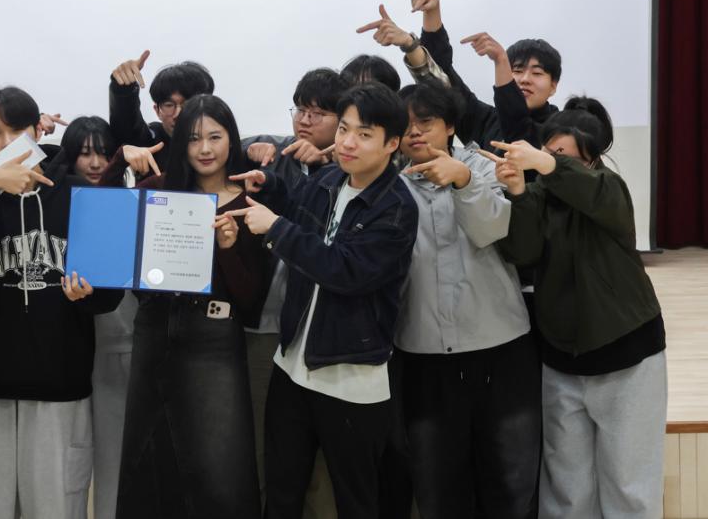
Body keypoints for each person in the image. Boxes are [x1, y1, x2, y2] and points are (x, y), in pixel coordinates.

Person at [0, 87, 123, 519]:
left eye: (17, 130)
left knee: (56, 507)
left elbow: (110, 294)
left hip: (61, 384)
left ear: (37, 130)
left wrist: (89, 295)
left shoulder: (78, 195)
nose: (8, 142)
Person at [230, 82, 418, 519]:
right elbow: (297, 211)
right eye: (345, 129)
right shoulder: (330, 178)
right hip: (291, 365)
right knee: (281, 494)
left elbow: (345, 271)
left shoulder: (396, 207)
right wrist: (270, 186)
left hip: (349, 377)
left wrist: (276, 228)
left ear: (392, 143)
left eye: (364, 134)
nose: (347, 142)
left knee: (355, 501)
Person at [486, 98, 667, 519]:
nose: (551, 160)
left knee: (629, 485)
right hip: (561, 357)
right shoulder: (538, 195)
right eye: (548, 150)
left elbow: (590, 193)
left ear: (591, 157)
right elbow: (522, 252)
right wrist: (518, 192)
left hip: (628, 353)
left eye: (564, 155)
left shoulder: (608, 187)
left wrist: (549, 165)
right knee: (567, 489)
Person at [110, 95, 268, 519]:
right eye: (194, 138)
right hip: (154, 333)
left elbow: (250, 298)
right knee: (149, 457)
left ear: (231, 139)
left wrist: (229, 249)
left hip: (216, 341)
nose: (205, 148)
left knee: (222, 469)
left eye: (215, 137)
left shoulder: (250, 203)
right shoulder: (157, 191)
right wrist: (118, 160)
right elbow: (105, 221)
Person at [395, 81, 540, 519]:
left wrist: (463, 181)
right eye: (405, 125)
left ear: (450, 126)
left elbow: (492, 230)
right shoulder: (389, 186)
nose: (415, 132)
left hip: (500, 346)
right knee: (438, 488)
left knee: (510, 484)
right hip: (423, 354)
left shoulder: (484, 167)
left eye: (426, 122)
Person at [61, 115, 137, 519]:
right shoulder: (53, 203)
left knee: (114, 460)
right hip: (64, 353)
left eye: (104, 154)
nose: (95, 163)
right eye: (84, 153)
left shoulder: (131, 204)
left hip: (118, 349)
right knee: (65, 467)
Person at [409, 0, 561, 153]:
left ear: (553, 86)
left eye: (537, 73)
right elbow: (441, 77)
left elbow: (517, 129)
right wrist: (431, 14)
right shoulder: (486, 121)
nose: (525, 79)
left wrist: (500, 60)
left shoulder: (566, 129)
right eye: (517, 71)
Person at [109, 50, 215, 172]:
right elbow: (127, 129)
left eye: (187, 104)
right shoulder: (151, 143)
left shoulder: (225, 142)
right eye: (169, 105)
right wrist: (123, 89)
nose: (178, 114)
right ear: (157, 111)